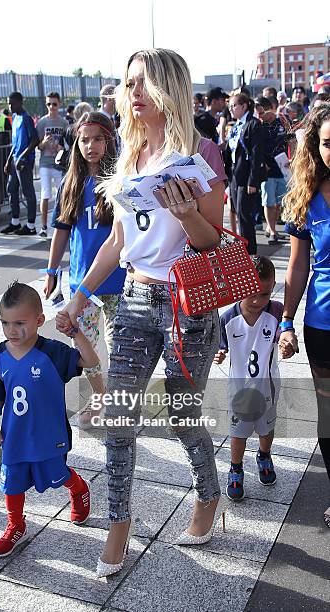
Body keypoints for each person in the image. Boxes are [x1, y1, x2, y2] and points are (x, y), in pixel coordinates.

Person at [56, 48, 227, 578]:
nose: (134, 93)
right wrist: (80, 295)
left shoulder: (202, 153)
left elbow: (213, 244)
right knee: (120, 420)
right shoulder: (128, 155)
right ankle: (119, 525)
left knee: (180, 417)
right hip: (132, 298)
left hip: (187, 306)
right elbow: (116, 239)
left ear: (170, 88)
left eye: (145, 83)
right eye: (130, 83)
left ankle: (207, 494)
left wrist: (186, 212)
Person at [0, 282, 98, 556]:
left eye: (19, 323)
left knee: (57, 475)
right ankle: (15, 525)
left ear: (39, 321)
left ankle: (78, 488)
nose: (11, 330)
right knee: (11, 482)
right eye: (5, 323)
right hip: (14, 436)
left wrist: (75, 333)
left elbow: (90, 360)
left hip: (48, 435)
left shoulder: (52, 353)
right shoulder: (1, 354)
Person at [44, 111, 126, 425]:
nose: (90, 146)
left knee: (119, 346)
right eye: (84, 139)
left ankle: (120, 401)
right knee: (85, 346)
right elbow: (61, 231)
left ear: (109, 141)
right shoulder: (72, 182)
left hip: (118, 280)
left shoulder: (119, 178)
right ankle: (98, 396)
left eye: (97, 139)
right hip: (82, 284)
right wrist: (52, 272)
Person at [279, 103, 330, 528]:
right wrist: (286, 321)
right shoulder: (306, 198)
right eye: (329, 143)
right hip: (322, 324)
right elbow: (297, 266)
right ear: (316, 145)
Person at [214, 256, 293, 500]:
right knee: (238, 433)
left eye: (266, 294)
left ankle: (263, 455)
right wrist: (218, 354)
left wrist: (286, 344)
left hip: (268, 386)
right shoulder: (227, 318)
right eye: (253, 294)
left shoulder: (277, 311)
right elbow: (220, 346)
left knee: (266, 429)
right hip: (239, 390)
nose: (259, 301)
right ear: (239, 287)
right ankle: (235, 469)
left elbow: (284, 334)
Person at [224, 93, 265, 254]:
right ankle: (243, 247)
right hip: (234, 174)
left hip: (246, 176)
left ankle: (249, 251)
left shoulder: (253, 124)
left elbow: (256, 155)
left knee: (245, 214)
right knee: (237, 211)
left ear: (244, 106)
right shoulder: (235, 126)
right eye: (230, 106)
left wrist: (253, 181)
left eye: (234, 105)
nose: (231, 109)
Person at [0, 92, 39, 236]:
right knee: (11, 189)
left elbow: (35, 140)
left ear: (20, 103)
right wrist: (9, 159)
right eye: (9, 103)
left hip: (24, 162)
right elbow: (15, 142)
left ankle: (31, 225)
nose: (10, 106)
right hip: (15, 160)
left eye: (12, 103)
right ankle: (15, 222)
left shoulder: (26, 118)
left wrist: (22, 157)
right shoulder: (15, 118)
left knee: (28, 192)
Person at [36, 92, 69, 238]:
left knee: (62, 194)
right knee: (45, 193)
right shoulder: (42, 122)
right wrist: (44, 142)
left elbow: (67, 145)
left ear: (59, 104)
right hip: (45, 162)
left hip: (59, 163)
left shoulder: (63, 123)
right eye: (49, 104)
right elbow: (38, 145)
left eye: (54, 104)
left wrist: (58, 146)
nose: (51, 107)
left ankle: (62, 223)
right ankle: (43, 227)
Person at [259, 98, 289, 244]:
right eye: (260, 111)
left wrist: (292, 158)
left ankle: (273, 228)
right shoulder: (258, 125)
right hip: (267, 170)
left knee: (278, 203)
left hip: (283, 167)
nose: (263, 114)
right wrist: (262, 163)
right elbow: (255, 148)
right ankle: (272, 230)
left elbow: (292, 140)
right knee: (269, 202)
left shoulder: (283, 121)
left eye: (265, 110)